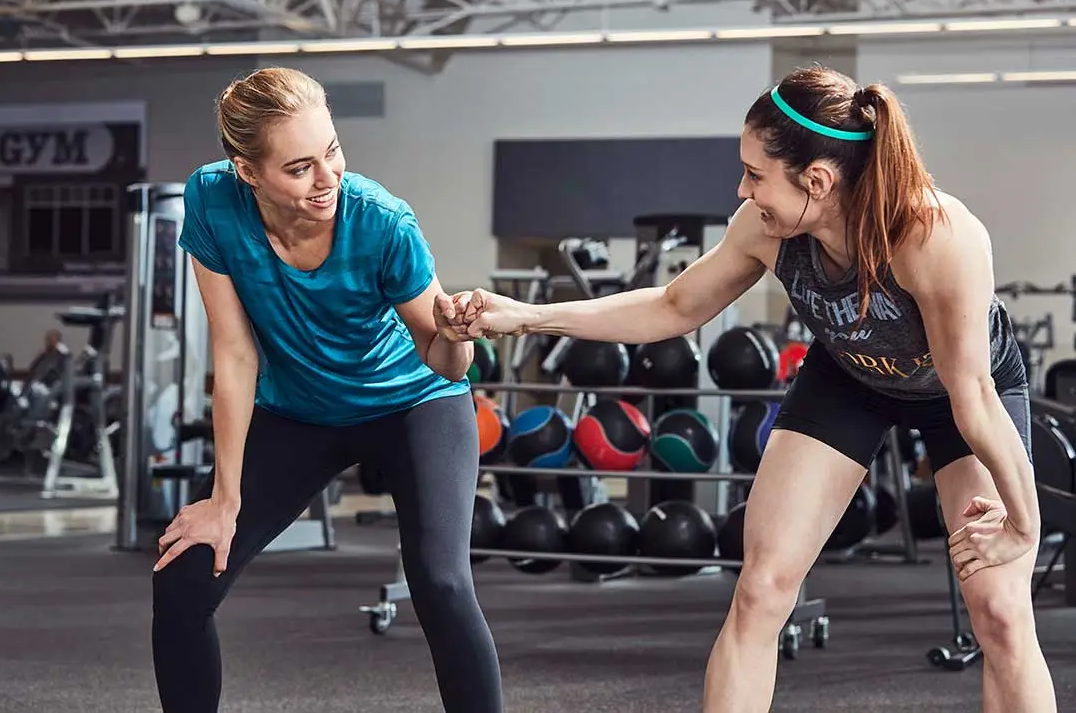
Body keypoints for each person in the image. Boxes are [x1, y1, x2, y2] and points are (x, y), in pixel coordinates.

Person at [446, 65, 1056, 713]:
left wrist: (1023, 524)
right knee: (760, 587)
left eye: (755, 174)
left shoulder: (932, 235)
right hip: (847, 379)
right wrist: (525, 314)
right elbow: (675, 306)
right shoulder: (762, 229)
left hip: (958, 394)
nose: (742, 189)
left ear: (816, 181)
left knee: (998, 610)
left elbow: (972, 395)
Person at [149, 66, 504, 713]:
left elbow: (449, 366)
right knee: (183, 577)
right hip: (300, 413)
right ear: (247, 171)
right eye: (300, 167)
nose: (327, 179)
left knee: (441, 583)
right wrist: (222, 502)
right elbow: (233, 354)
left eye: (333, 151)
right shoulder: (212, 200)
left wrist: (459, 335)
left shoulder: (381, 222)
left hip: (413, 402)